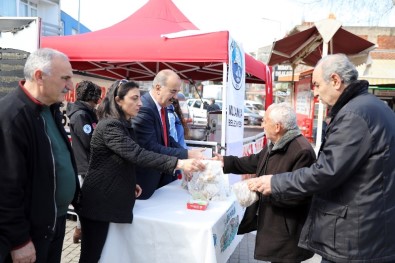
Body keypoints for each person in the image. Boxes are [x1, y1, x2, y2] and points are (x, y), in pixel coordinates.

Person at [248, 54, 395, 262]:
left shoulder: (354, 115)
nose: (315, 93)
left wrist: (275, 181)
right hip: (371, 228)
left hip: (355, 237)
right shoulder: (374, 107)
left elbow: (326, 171)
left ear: (335, 80)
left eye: (316, 85)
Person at [77, 80, 205, 263]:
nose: (140, 103)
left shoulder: (123, 125)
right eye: (135, 98)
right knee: (91, 256)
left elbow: (122, 160)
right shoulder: (110, 127)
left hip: (109, 199)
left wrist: (130, 183)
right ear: (118, 100)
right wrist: (180, 163)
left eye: (140, 98)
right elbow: (137, 154)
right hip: (98, 203)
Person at [0, 48, 80, 263]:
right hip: (28, 235)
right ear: (39, 76)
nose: (70, 86)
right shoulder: (11, 116)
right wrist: (19, 241)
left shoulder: (50, 109)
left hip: (53, 222)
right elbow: (6, 189)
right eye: (65, 78)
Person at [215, 103, 315, 262]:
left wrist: (266, 187)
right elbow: (254, 161)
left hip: (287, 230)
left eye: (265, 120)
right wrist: (225, 162)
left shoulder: (302, 150)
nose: (262, 124)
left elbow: (300, 195)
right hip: (274, 225)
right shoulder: (276, 143)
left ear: (277, 127)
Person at [133, 69, 205, 199]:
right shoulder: (144, 108)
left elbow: (166, 139)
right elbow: (151, 147)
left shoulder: (163, 107)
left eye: (177, 92)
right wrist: (187, 154)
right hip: (145, 181)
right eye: (173, 91)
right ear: (158, 88)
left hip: (162, 176)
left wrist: (186, 153)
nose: (175, 97)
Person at [66, 80, 102, 243]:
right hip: (85, 166)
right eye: (96, 99)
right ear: (91, 98)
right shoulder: (80, 115)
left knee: (90, 201)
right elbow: (88, 142)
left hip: (91, 165)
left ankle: (81, 230)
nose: (97, 103)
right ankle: (81, 231)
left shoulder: (88, 112)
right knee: (87, 202)